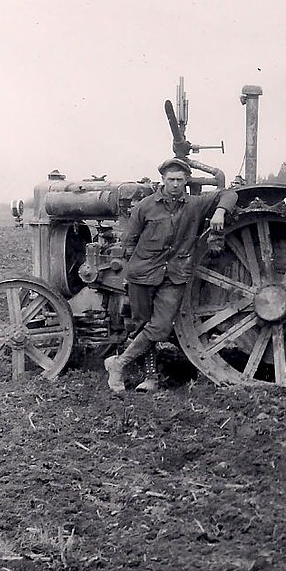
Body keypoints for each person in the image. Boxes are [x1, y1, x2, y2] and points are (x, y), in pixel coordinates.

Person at [106, 157, 238, 394]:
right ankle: (150, 378)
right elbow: (128, 242)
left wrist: (219, 212)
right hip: (143, 274)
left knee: (161, 326)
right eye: (171, 180)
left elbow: (229, 194)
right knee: (142, 325)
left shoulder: (195, 205)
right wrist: (131, 272)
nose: (175, 184)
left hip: (174, 275)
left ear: (186, 180)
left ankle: (119, 364)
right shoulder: (145, 207)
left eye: (179, 180)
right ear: (163, 180)